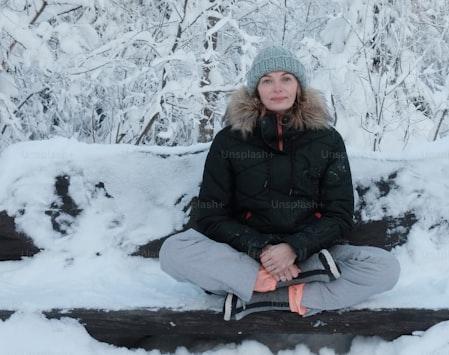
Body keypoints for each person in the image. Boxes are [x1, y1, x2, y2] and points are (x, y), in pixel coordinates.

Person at [160, 45, 400, 321]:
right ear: (256, 89)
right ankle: (285, 286)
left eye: (286, 78)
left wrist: (294, 249)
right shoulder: (230, 140)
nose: (277, 87)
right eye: (267, 80)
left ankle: (258, 294)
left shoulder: (326, 139)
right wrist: (262, 250)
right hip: (244, 258)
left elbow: (339, 214)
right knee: (173, 253)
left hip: (311, 255)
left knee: (385, 268)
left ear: (299, 85)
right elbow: (212, 215)